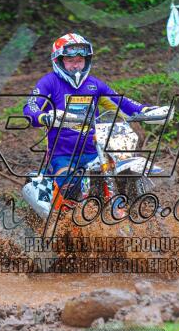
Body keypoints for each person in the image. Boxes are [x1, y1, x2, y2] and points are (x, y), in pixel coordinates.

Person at [22, 33, 169, 204]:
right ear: (59, 61)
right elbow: (30, 107)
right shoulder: (49, 83)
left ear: (87, 61)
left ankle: (137, 206)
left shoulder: (94, 84)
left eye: (80, 60)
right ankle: (64, 216)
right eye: (70, 60)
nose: (76, 65)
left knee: (121, 175)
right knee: (67, 186)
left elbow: (121, 103)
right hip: (63, 155)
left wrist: (145, 110)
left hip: (95, 152)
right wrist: (44, 117)